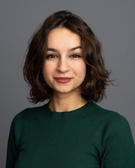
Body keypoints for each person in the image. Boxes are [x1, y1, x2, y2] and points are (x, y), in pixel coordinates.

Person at [6, 10, 135, 168]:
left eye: (74, 55)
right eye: (52, 55)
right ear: (39, 62)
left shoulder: (112, 128)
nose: (62, 67)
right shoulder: (22, 123)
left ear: (89, 61)